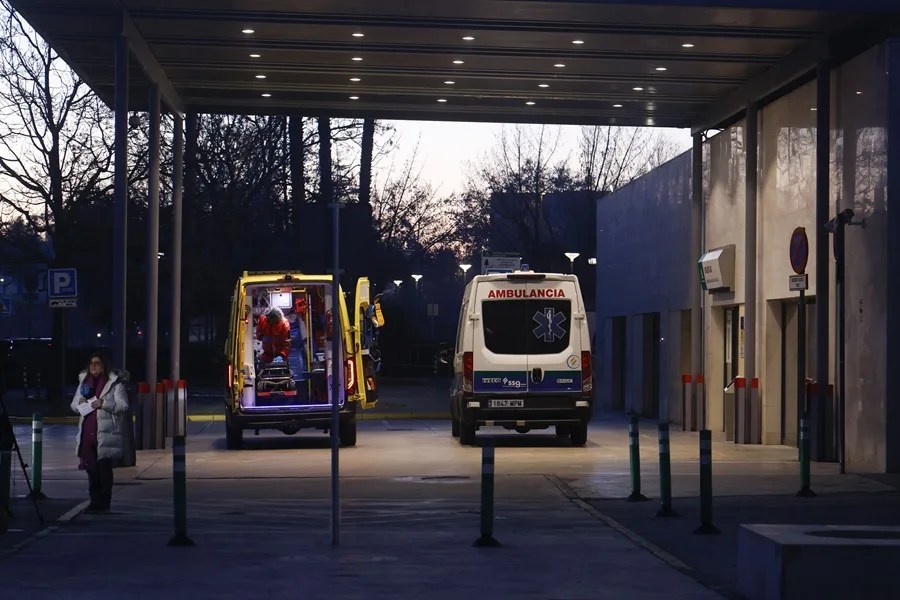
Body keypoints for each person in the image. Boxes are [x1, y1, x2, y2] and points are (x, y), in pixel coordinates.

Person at [70, 352, 129, 513]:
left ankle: (104, 503)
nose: (93, 366)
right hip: (87, 432)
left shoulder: (114, 384)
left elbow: (123, 406)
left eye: (97, 363)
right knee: (91, 470)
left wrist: (104, 403)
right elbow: (74, 404)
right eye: (91, 363)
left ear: (104, 366)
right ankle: (94, 502)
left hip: (105, 434)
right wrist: (79, 403)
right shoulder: (84, 382)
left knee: (104, 471)